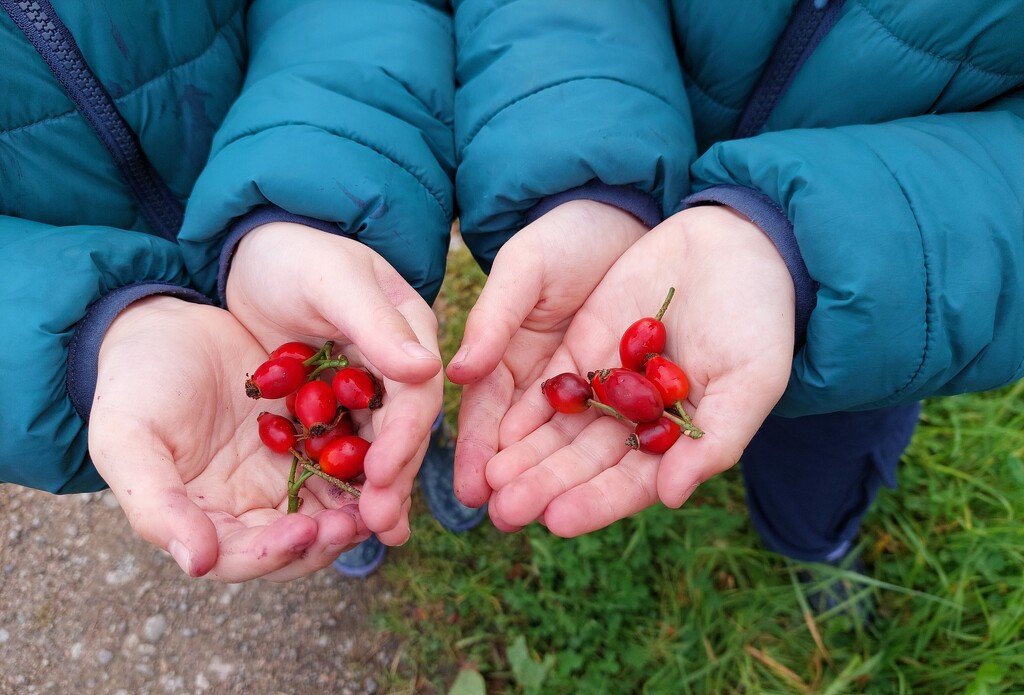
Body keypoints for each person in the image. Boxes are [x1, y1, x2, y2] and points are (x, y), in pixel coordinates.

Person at [445, 0, 1024, 600]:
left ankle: (815, 548)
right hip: (656, 174)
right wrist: (594, 184)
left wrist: (795, 246)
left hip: (877, 303)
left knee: (822, 464)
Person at [0, 0, 480, 582]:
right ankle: (345, 486)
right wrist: (96, 333)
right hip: (92, 271)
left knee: (387, 369)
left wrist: (297, 212)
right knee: (367, 397)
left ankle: (415, 447)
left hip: (295, 193)